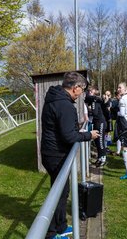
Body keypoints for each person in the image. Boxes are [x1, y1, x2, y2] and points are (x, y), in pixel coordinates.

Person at [41, 71, 99, 239]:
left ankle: (61, 226)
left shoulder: (57, 99)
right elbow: (69, 136)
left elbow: (64, 128)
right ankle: (51, 233)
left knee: (61, 192)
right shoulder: (64, 104)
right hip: (56, 155)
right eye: (82, 90)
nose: (82, 94)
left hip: (52, 153)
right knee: (58, 195)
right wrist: (89, 135)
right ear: (76, 88)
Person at [85, 86, 108, 167]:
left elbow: (95, 113)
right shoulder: (94, 100)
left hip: (101, 122)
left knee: (100, 141)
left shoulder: (95, 100)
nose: (89, 92)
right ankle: (99, 158)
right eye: (89, 91)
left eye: (91, 91)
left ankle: (104, 159)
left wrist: (89, 110)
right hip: (96, 122)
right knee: (96, 141)